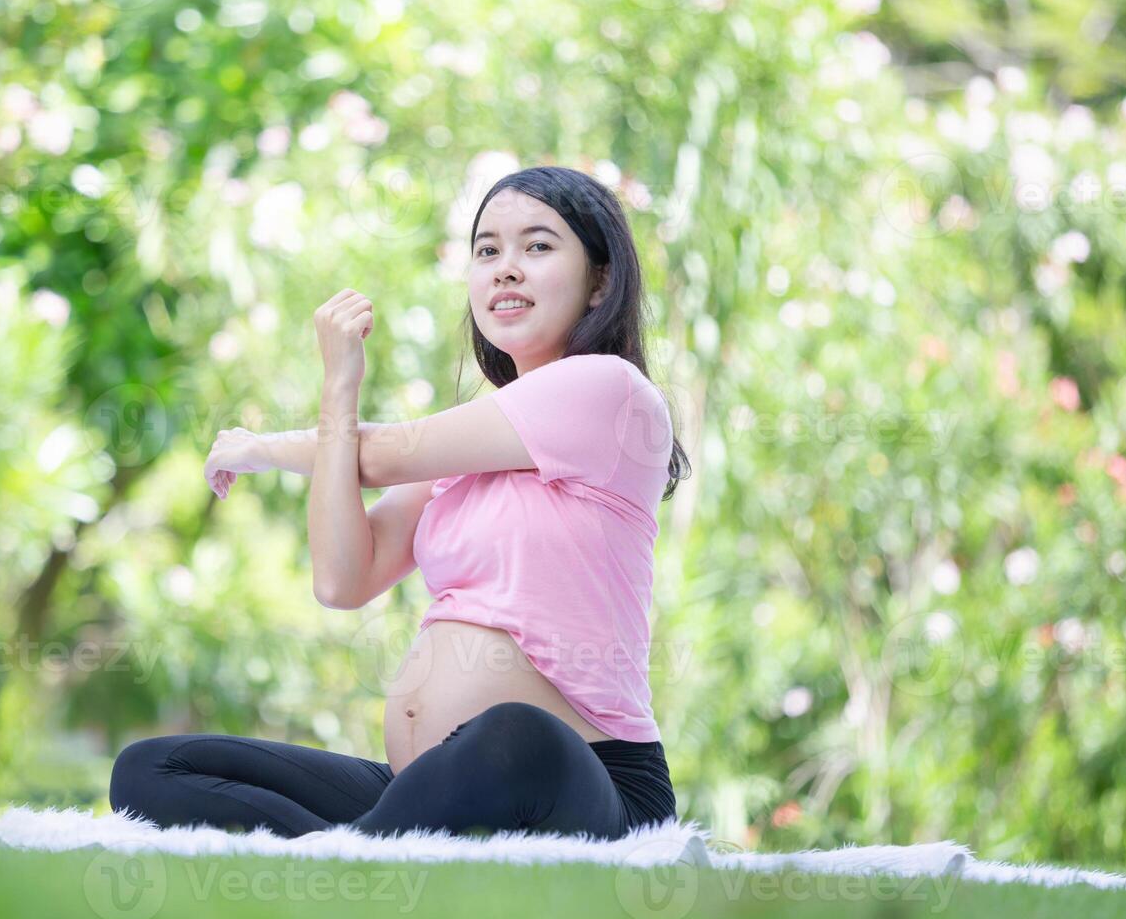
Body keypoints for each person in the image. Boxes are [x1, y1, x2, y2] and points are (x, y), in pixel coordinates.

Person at [110, 165, 692, 840]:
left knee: (512, 733)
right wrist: (338, 389)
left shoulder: (607, 391)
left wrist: (262, 448)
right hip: (430, 786)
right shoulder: (470, 445)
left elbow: (382, 455)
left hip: (585, 779)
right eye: (487, 250)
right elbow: (343, 578)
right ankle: (357, 855)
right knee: (154, 768)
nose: (505, 269)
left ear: (600, 282)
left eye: (537, 247)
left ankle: (358, 858)